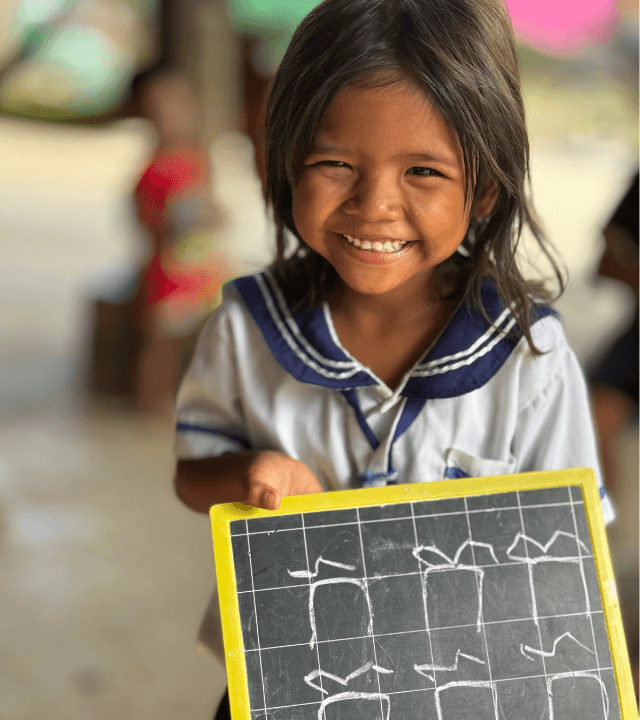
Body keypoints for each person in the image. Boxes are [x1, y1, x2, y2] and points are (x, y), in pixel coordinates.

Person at [172, 0, 614, 716]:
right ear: (286, 162)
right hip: (283, 681)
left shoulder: (530, 355)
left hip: (460, 690)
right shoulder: (247, 328)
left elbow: (567, 556)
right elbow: (192, 475)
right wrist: (249, 473)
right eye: (336, 163)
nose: (375, 205)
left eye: (424, 173)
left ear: (485, 191)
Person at [133, 69, 229, 415]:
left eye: (176, 110)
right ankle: (153, 405)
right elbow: (144, 221)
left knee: (206, 340)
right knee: (162, 344)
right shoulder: (151, 171)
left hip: (202, 269)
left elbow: (214, 207)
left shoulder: (198, 158)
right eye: (160, 112)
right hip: (168, 270)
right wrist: (170, 223)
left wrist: (214, 219)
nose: (169, 119)